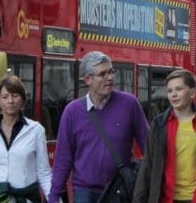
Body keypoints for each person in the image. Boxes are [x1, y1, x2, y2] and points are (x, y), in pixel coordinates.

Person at [50, 51, 150, 203]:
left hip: (120, 189)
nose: (110, 78)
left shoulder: (130, 104)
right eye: (102, 74)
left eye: (111, 72)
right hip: (84, 192)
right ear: (87, 79)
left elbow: (149, 147)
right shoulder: (72, 111)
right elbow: (63, 158)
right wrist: (54, 195)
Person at [132, 69, 196, 203]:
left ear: (192, 92)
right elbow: (147, 167)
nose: (173, 94)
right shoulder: (158, 124)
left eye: (178, 89)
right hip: (166, 199)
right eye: (170, 91)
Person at [0, 76, 52, 203]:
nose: (10, 101)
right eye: (5, 97)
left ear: (23, 99)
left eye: (15, 95)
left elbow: (44, 173)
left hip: (24, 198)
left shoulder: (36, 130)